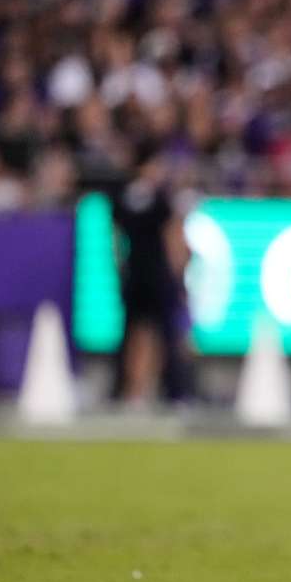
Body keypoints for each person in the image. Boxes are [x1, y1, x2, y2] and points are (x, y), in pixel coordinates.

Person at [110, 144, 194, 406]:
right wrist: (179, 273)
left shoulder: (124, 197)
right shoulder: (161, 199)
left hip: (134, 273)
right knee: (161, 335)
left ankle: (131, 388)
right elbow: (172, 239)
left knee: (133, 333)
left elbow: (115, 239)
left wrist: (120, 267)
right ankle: (158, 388)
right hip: (157, 276)